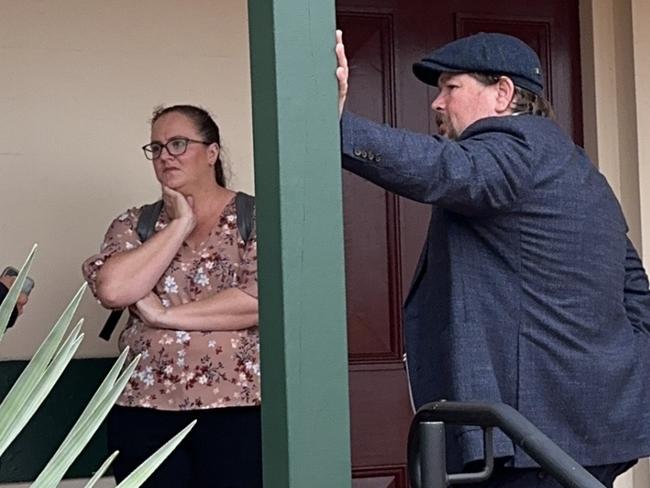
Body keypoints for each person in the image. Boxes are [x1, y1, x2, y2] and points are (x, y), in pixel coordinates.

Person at [335, 30, 650, 487]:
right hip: (592, 431)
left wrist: (337, 126)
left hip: (530, 443)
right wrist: (623, 374)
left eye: (451, 87)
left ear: (503, 92)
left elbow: (442, 168)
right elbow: (635, 289)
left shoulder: (516, 147)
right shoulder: (575, 165)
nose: (437, 103)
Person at [82, 105, 261, 488]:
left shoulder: (255, 216)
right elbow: (114, 289)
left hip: (238, 407)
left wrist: (163, 315)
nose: (165, 156)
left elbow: (255, 301)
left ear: (211, 153)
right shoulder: (136, 223)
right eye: (157, 148)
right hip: (143, 407)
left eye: (178, 144)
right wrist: (180, 224)